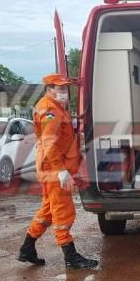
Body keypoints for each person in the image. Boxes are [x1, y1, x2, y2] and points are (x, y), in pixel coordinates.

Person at [17, 73, 98, 270]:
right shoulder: (49, 110)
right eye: (59, 89)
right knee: (64, 213)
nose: (64, 92)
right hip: (55, 170)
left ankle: (27, 249)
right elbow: (50, 144)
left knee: (48, 211)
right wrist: (61, 171)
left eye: (65, 88)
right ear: (49, 89)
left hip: (53, 168)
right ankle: (70, 257)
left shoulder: (56, 108)